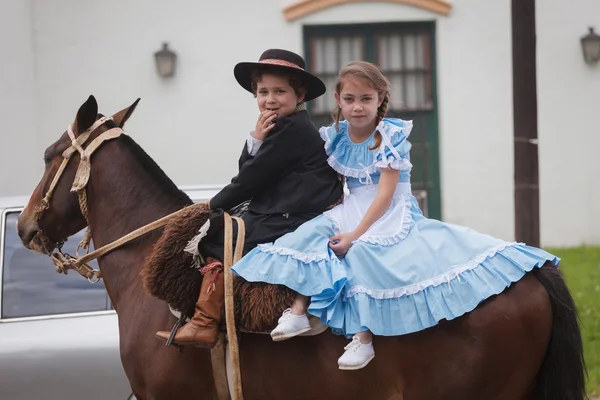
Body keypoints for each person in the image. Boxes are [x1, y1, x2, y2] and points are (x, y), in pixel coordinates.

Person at [231, 61, 559, 370]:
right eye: (350, 99)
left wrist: (354, 234)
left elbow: (385, 195)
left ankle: (363, 337)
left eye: (365, 99)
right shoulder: (335, 137)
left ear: (380, 100)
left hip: (387, 209)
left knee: (363, 254)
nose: (357, 106)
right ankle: (300, 310)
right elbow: (317, 176)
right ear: (338, 100)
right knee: (306, 237)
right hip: (351, 205)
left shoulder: (389, 136)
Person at [155, 49, 344, 347]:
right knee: (220, 227)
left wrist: (211, 205)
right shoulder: (281, 127)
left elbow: (251, 180)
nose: (270, 99)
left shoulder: (294, 130)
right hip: (277, 210)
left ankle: (204, 323)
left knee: (215, 239)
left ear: (300, 94)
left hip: (294, 217)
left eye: (280, 91)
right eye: (263, 91)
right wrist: (256, 139)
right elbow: (252, 173)